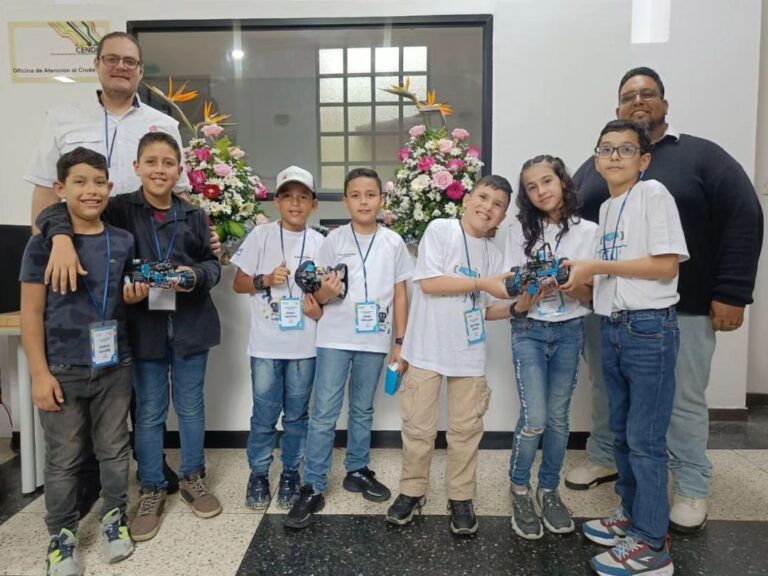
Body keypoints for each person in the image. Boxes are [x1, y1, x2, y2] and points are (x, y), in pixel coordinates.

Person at [566, 66, 764, 533]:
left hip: (682, 308)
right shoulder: (602, 173)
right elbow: (570, 225)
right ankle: (606, 460)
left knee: (681, 403)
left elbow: (744, 215)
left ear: (664, 105)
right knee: (609, 394)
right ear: (616, 110)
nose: (638, 100)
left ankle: (692, 484)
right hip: (609, 310)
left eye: (648, 93)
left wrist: (732, 292)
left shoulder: (699, 158)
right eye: (628, 95)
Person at [35, 131, 222, 542]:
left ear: (180, 171)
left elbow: (212, 265)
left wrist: (195, 276)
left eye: (168, 163)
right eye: (151, 162)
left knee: (191, 408)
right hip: (142, 328)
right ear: (136, 168)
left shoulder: (193, 215)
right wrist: (63, 237)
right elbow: (54, 215)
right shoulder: (118, 209)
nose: (160, 170)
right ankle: (153, 486)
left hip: (191, 326)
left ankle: (193, 476)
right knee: (151, 411)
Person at [563, 119, 688, 576]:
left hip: (649, 329)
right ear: (597, 158)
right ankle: (633, 516)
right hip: (614, 326)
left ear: (644, 159)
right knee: (621, 432)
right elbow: (607, 277)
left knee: (646, 440)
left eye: (625, 149)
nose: (614, 157)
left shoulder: (654, 195)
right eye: (606, 149)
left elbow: (666, 267)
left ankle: (652, 545)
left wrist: (595, 263)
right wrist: (574, 279)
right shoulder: (610, 208)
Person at [20, 148, 138, 575]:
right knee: (64, 456)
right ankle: (62, 535)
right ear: (60, 189)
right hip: (63, 368)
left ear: (110, 187)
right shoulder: (42, 245)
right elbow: (31, 312)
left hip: (115, 365)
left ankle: (113, 517)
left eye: (99, 182)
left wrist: (135, 293)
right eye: (80, 182)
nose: (91, 191)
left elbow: (127, 290)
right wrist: (39, 373)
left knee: (113, 449)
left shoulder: (122, 240)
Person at [385, 175, 515, 535]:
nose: (487, 207)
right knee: (418, 429)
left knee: (466, 430)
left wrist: (518, 308)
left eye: (497, 204)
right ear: (467, 198)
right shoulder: (441, 230)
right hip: (425, 350)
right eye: (483, 197)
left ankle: (460, 496)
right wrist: (483, 283)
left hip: (468, 356)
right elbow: (430, 283)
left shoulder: (493, 253)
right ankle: (412, 491)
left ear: (502, 217)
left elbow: (487, 308)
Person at [285, 168, 413, 529]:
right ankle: (313, 485)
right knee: (324, 413)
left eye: (370, 194)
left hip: (375, 340)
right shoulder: (333, 240)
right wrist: (324, 292)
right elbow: (318, 294)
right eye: (355, 195)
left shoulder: (394, 242)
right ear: (345, 201)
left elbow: (402, 293)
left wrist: (400, 343)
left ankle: (357, 469)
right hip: (334, 336)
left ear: (381, 199)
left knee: (362, 409)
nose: (363, 201)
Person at [503, 157, 596, 540]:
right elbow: (510, 285)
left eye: (547, 181)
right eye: (531, 186)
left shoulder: (588, 231)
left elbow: (594, 294)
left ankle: (549, 489)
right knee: (535, 417)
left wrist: (570, 285)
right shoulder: (516, 231)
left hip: (571, 328)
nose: (541, 190)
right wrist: (526, 294)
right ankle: (520, 489)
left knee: (558, 417)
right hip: (529, 328)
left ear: (563, 182)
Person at [231, 165, 325, 510]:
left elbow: (330, 293)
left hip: (305, 346)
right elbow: (238, 283)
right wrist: (265, 279)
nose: (295, 204)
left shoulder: (321, 243)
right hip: (266, 346)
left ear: (313, 205)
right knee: (264, 415)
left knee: (298, 416)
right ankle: (258, 474)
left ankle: (290, 473)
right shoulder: (261, 236)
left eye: (303, 198)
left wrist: (320, 306)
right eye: (288, 197)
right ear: (277, 202)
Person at [26, 31, 189, 229]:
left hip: (150, 241)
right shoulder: (61, 119)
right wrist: (43, 248)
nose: (121, 66)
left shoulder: (165, 124)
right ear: (97, 64)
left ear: (141, 71)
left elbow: (179, 191)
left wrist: (198, 236)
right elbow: (46, 190)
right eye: (111, 59)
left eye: (130, 61)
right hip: (82, 241)